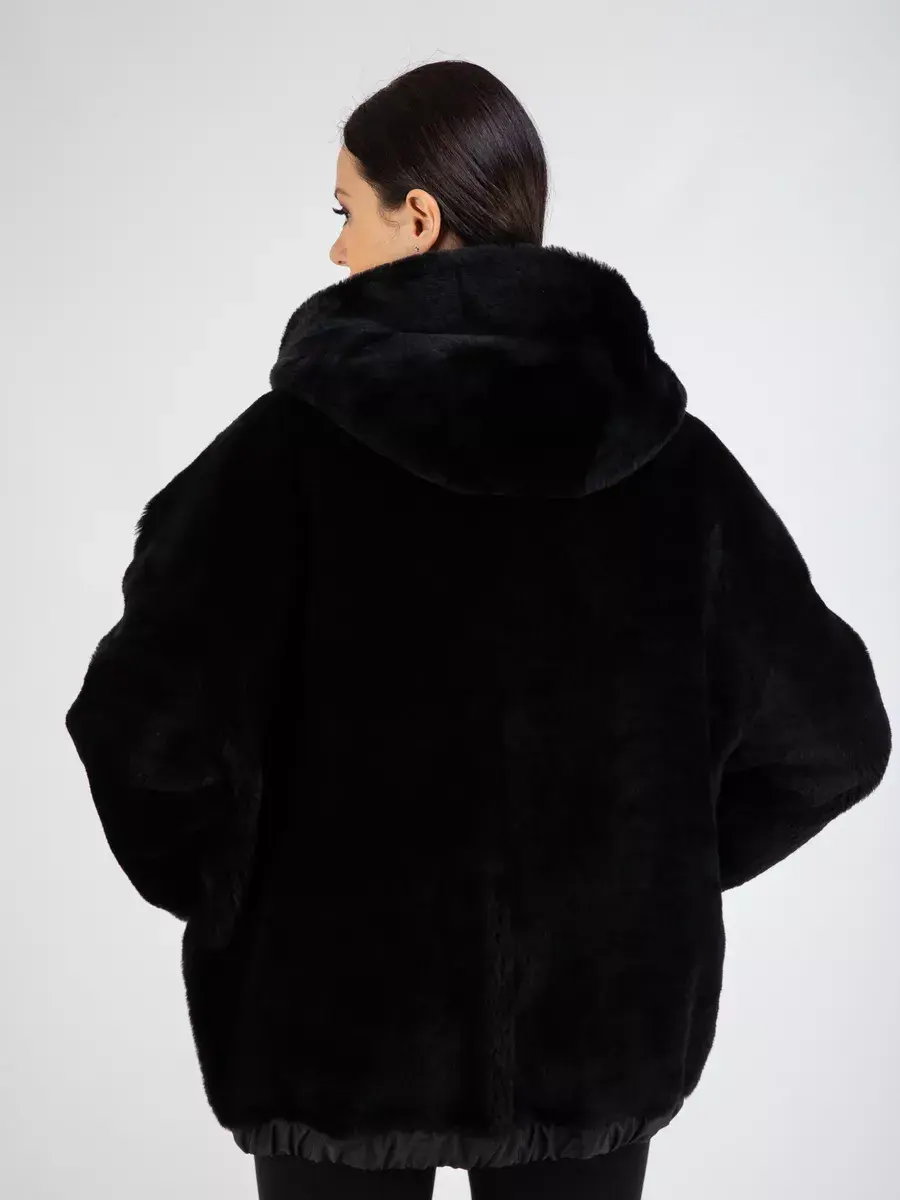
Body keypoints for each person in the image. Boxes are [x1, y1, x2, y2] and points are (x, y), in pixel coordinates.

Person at [64, 59, 892, 1200]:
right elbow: (833, 738)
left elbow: (139, 732)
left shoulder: (276, 461)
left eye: (345, 211)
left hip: (329, 1036)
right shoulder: (676, 467)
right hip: (597, 1040)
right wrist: (648, 879)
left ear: (418, 217)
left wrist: (240, 892)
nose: (335, 250)